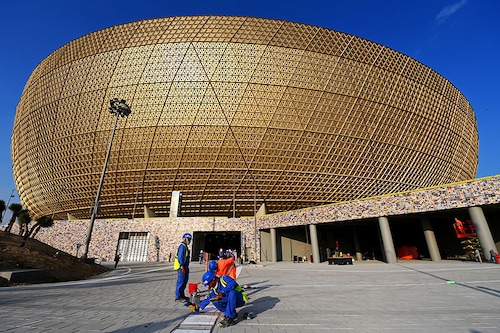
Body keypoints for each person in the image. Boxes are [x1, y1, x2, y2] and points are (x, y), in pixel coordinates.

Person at [174, 233, 192, 301]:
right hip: (182, 267)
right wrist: (182, 267)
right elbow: (180, 257)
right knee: (181, 281)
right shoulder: (182, 246)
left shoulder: (185, 246)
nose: (189, 241)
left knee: (185, 281)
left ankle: (182, 295)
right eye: (189, 239)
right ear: (185, 239)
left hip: (185, 266)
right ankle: (178, 296)